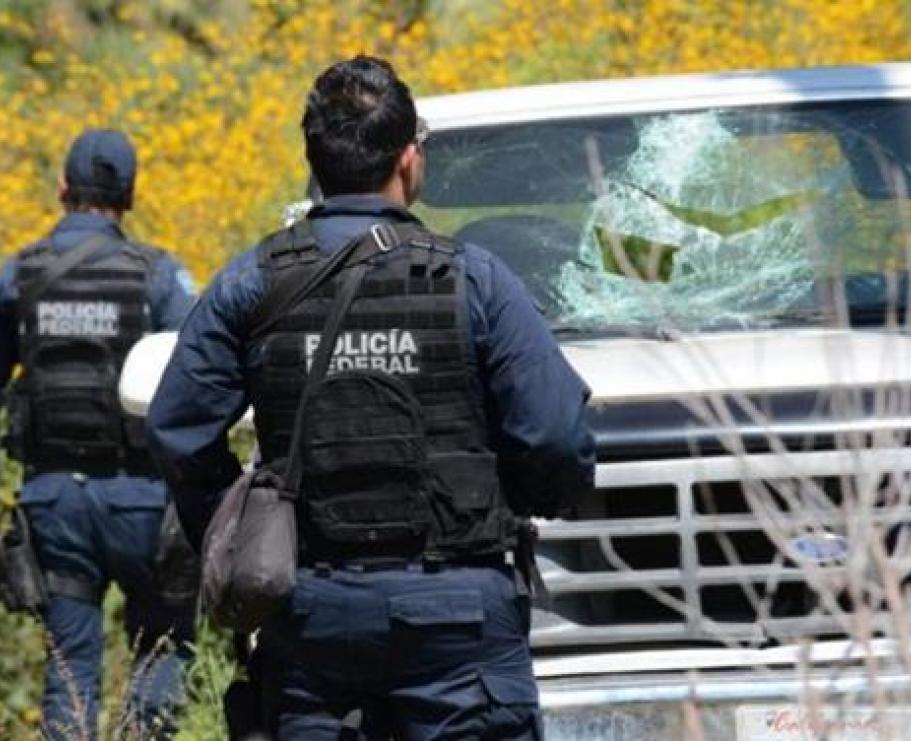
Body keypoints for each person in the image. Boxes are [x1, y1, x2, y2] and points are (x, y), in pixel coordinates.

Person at [147, 57, 595, 739]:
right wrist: (513, 504)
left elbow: (178, 428)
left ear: (314, 160)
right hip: (459, 615)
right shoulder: (475, 280)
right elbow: (556, 435)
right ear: (409, 159)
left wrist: (248, 532)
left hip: (314, 614)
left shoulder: (253, 282)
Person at [0, 128, 198, 740]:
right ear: (130, 195)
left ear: (62, 187)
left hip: (56, 502)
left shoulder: (18, 276)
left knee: (69, 670)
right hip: (144, 501)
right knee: (162, 650)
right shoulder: (159, 277)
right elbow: (200, 380)